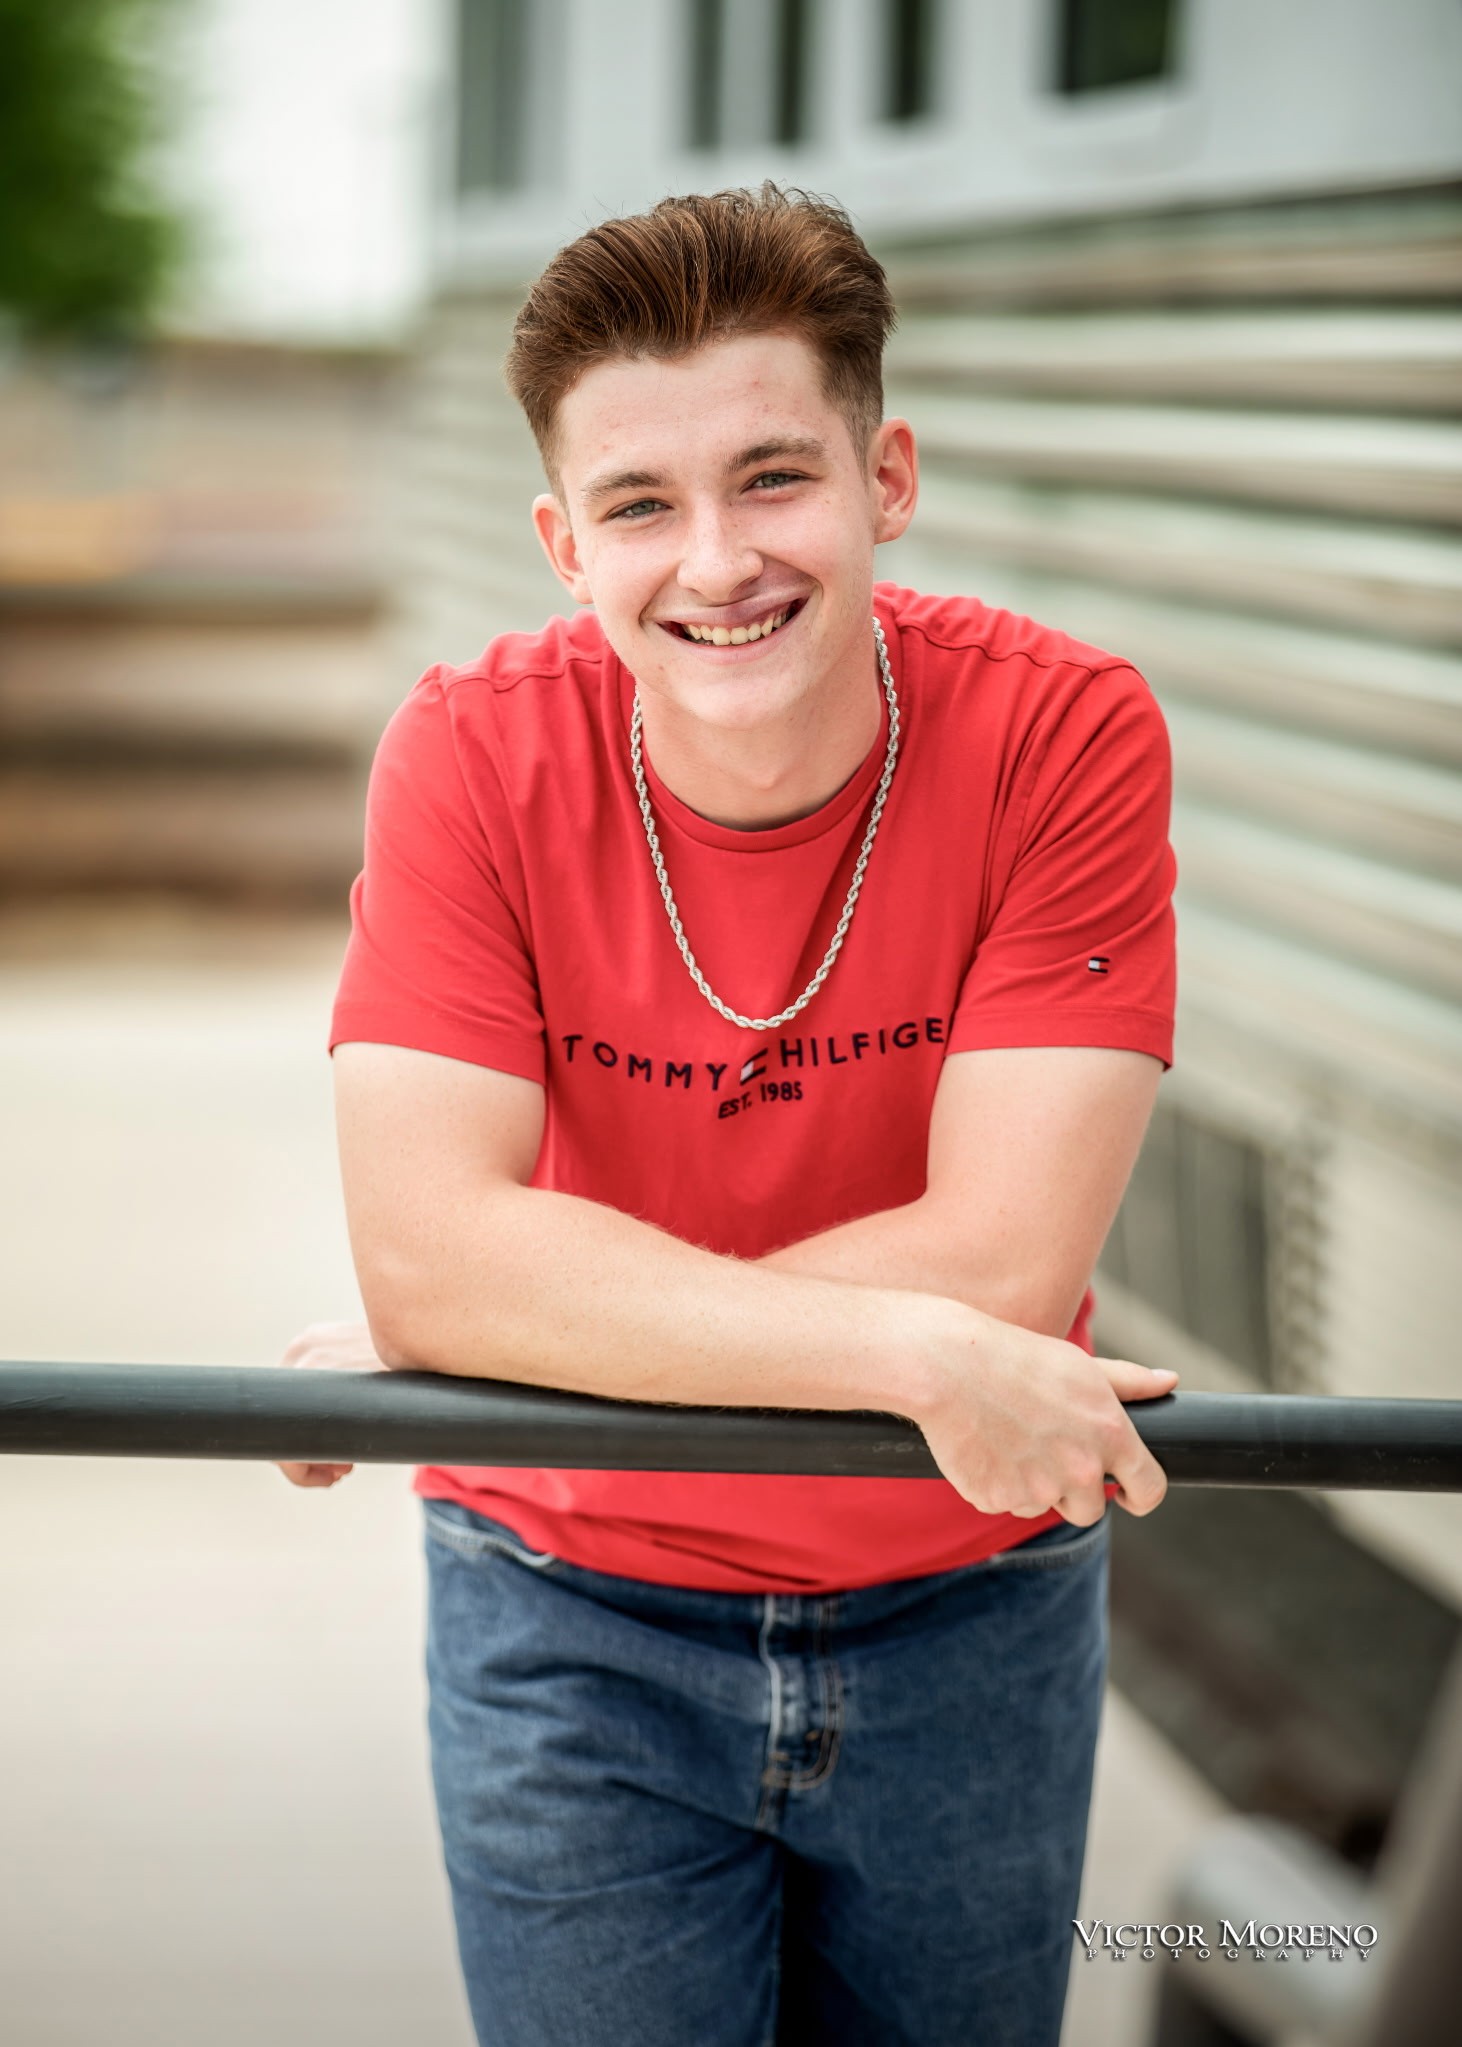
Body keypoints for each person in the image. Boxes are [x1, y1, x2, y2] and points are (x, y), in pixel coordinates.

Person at [278, 182, 1180, 2047]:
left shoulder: (1064, 734)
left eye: (772, 478)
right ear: (558, 539)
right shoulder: (466, 755)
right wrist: (462, 1302)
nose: (714, 562)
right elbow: (437, 1254)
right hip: (566, 1607)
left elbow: (1003, 1261)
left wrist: (513, 1326)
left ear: (886, 478)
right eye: (636, 505)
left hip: (965, 1596)